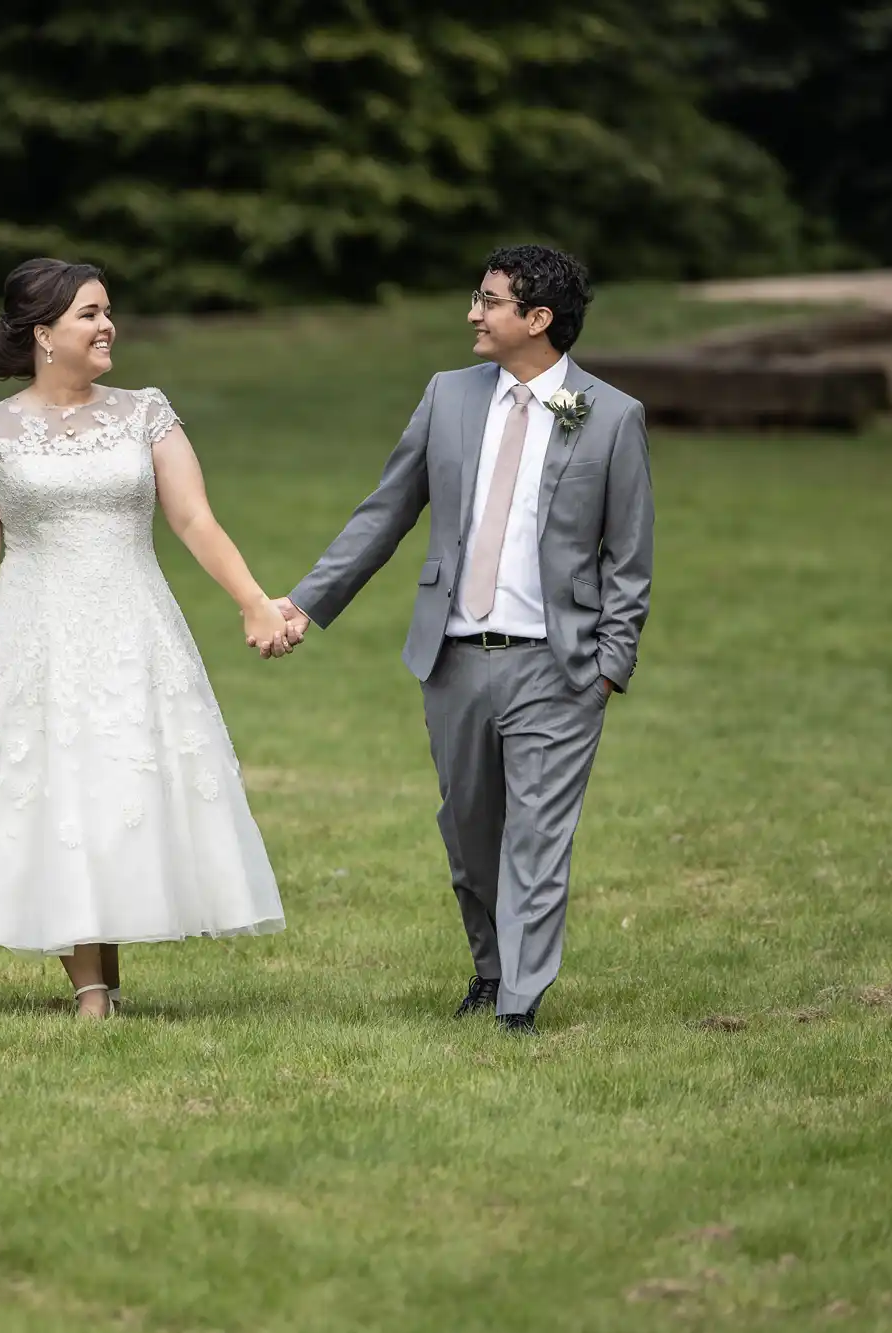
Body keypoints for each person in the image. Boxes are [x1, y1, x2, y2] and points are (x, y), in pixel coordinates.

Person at [270, 245, 653, 1034]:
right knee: (471, 837)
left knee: (539, 837)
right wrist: (307, 602)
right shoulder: (447, 397)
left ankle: (519, 1003)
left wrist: (609, 666)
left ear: (537, 320)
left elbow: (630, 556)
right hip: (451, 658)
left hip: (559, 666)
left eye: (489, 300)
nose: (473, 314)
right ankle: (490, 969)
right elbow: (385, 512)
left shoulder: (612, 417)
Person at [0, 258, 290, 1018]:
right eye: (89, 313)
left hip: (133, 625)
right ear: (43, 334)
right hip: (35, 629)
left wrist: (254, 600)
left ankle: (100, 983)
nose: (107, 324)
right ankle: (92, 990)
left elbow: (193, 519)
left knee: (118, 787)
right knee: (58, 793)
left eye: (107, 310)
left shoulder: (145, 412)